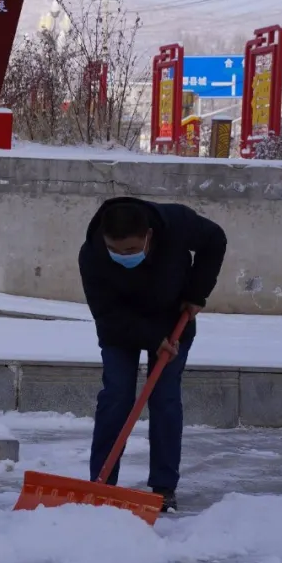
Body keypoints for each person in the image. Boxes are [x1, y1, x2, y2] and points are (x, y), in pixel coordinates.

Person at [78, 196, 227, 512]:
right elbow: (105, 313)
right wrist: (149, 337)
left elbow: (215, 239)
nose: (122, 257)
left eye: (130, 250)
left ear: (148, 235)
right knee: (116, 396)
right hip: (121, 329)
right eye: (114, 250)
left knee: (164, 397)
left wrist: (196, 292)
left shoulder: (176, 224)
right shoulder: (91, 255)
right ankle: (101, 487)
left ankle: (163, 487)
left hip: (173, 319)